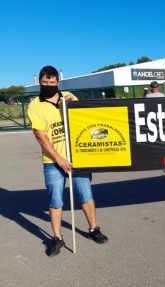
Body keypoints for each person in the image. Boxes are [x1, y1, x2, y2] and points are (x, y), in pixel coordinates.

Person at [27, 65, 108, 257]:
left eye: (52, 82)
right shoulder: (34, 105)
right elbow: (40, 136)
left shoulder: (69, 96)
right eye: (45, 82)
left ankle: (93, 229)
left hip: (77, 159)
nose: (48, 85)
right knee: (55, 200)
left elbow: (83, 121)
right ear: (40, 82)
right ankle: (57, 238)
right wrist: (59, 159)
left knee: (85, 194)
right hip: (52, 161)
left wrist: (72, 105)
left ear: (57, 82)